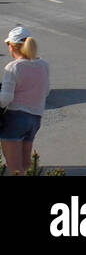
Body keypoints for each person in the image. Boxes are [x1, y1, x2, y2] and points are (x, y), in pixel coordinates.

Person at [0, 27, 51, 174]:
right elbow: (46, 91)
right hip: (35, 118)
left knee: (15, 168)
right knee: (25, 164)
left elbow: (5, 99)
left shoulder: (13, 67)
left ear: (12, 46)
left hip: (15, 118)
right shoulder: (43, 65)